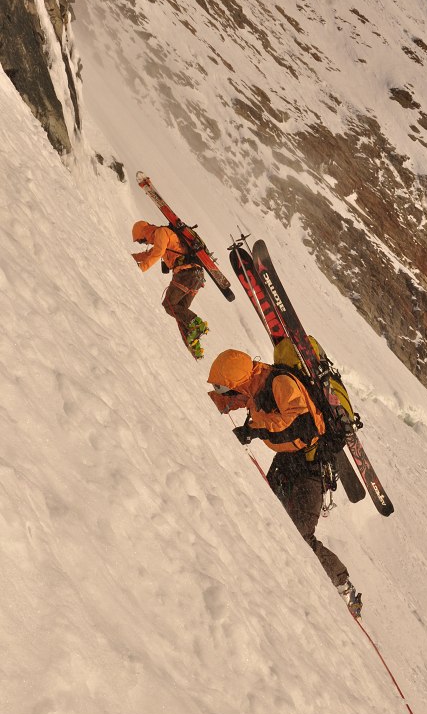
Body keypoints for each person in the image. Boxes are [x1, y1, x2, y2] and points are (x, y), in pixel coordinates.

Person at [207, 348, 362, 617]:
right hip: (288, 463)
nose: (222, 392)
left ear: (237, 382)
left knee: (300, 535)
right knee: (268, 520)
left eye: (223, 387)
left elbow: (304, 427)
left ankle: (343, 585)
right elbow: (235, 405)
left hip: (311, 467)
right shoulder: (254, 388)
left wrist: (256, 430)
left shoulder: (278, 383)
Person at [131, 220, 208, 359]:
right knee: (179, 312)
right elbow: (148, 254)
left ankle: (197, 323)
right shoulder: (162, 236)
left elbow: (156, 254)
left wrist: (140, 269)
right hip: (196, 277)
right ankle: (193, 344)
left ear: (143, 232)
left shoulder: (161, 233)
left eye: (142, 241)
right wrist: (129, 258)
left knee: (169, 305)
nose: (145, 243)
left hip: (186, 275)